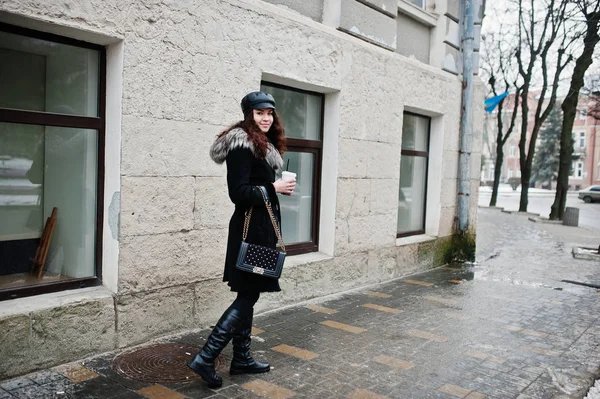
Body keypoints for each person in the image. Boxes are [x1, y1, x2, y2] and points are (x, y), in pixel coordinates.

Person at [187, 91, 296, 388]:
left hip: (262, 229)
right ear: (249, 114)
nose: (266, 118)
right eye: (259, 113)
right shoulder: (241, 144)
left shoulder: (263, 145)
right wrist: (273, 187)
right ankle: (206, 357)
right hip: (251, 230)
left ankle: (242, 358)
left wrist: (275, 188)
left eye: (270, 113)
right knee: (249, 293)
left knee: (249, 291)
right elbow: (238, 193)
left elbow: (258, 187)